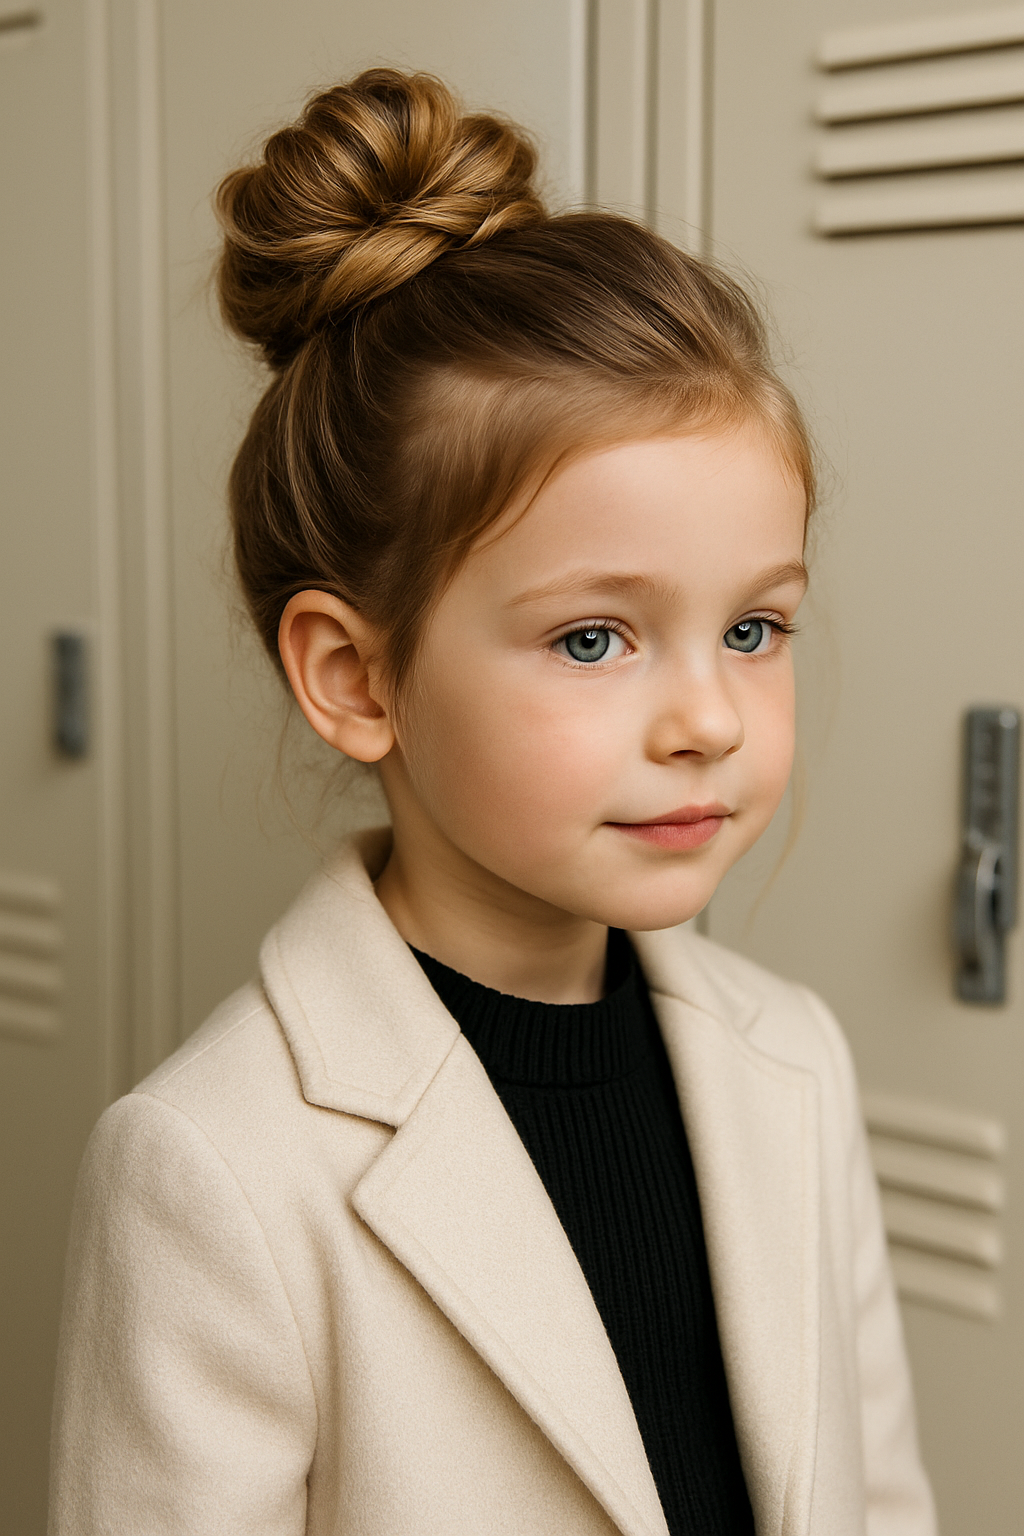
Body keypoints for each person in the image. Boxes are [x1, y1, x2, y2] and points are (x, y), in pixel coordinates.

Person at [48, 67, 936, 1536]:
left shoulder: (794, 1058)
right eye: (594, 638)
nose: (709, 718)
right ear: (355, 676)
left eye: (755, 627)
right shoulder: (211, 1167)